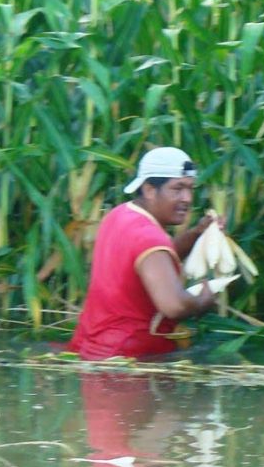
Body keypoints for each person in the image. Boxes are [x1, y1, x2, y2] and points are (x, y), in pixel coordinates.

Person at [70, 147, 219, 360]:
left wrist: (197, 233)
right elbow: (174, 306)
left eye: (190, 189)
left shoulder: (120, 215)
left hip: (93, 352)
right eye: (177, 189)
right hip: (129, 362)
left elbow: (153, 265)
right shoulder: (148, 237)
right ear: (149, 189)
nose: (187, 198)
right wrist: (201, 302)